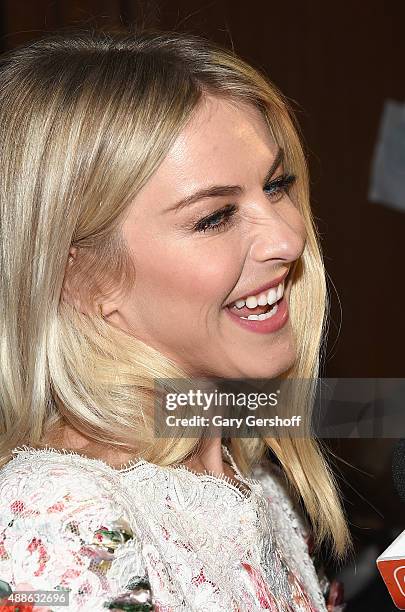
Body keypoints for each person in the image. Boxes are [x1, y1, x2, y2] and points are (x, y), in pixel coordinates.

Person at [0, 27, 350, 611]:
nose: (289, 239)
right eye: (215, 217)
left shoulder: (258, 481)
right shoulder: (60, 523)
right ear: (81, 278)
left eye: (278, 185)